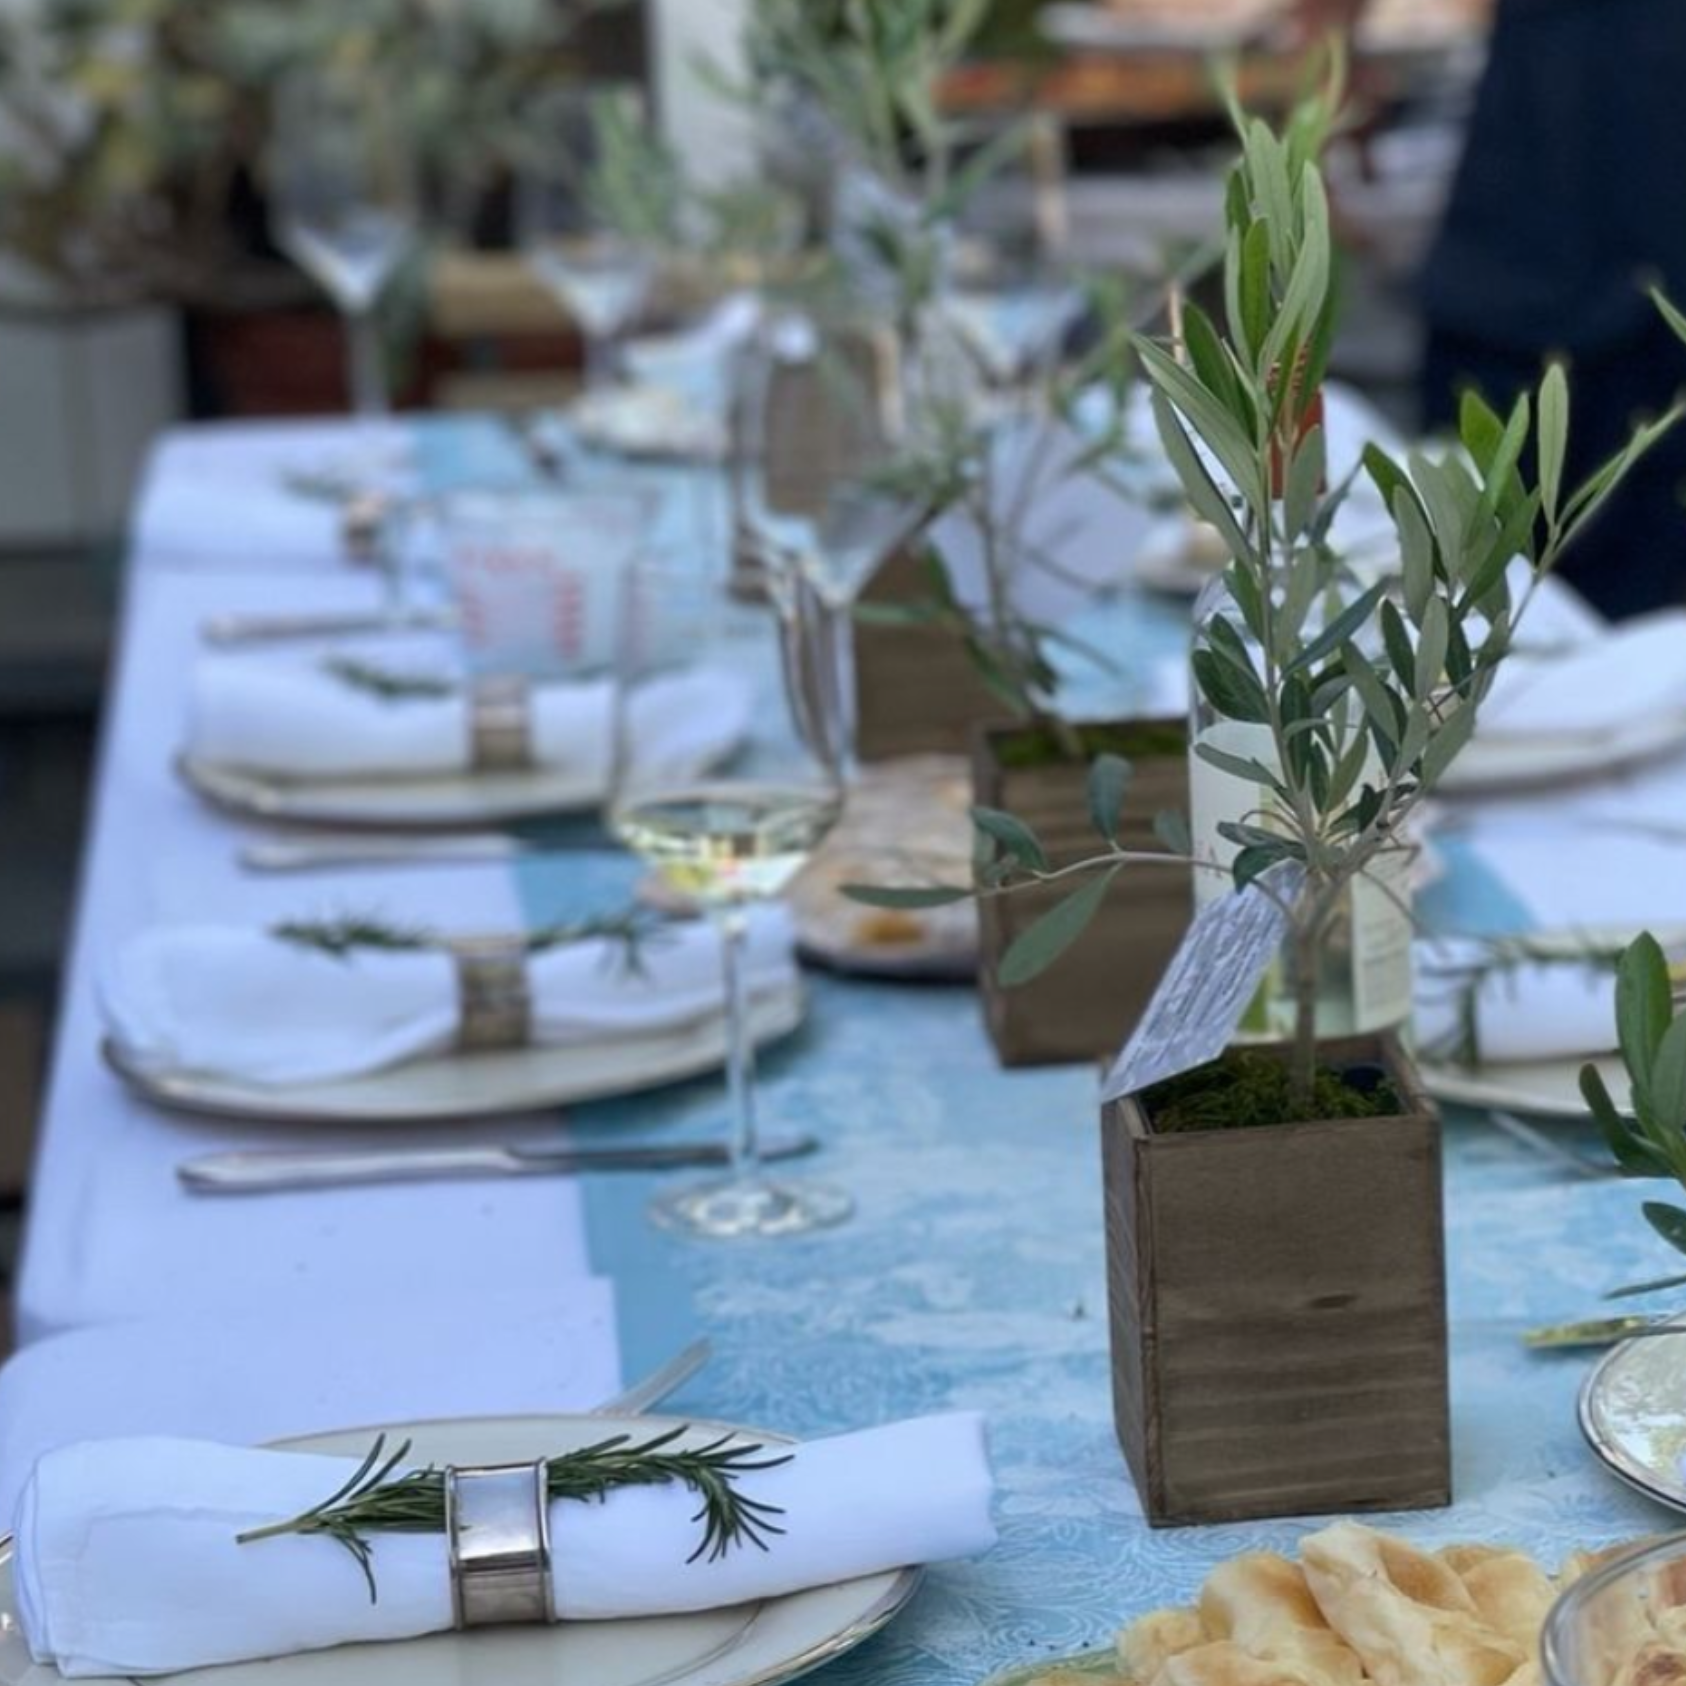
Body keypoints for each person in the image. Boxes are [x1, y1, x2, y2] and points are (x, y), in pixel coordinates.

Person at [1295, 0, 1686, 618]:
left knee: (1636, 644)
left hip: (1652, 315)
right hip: (1513, 280)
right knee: (1445, 606)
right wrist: (1328, 92)